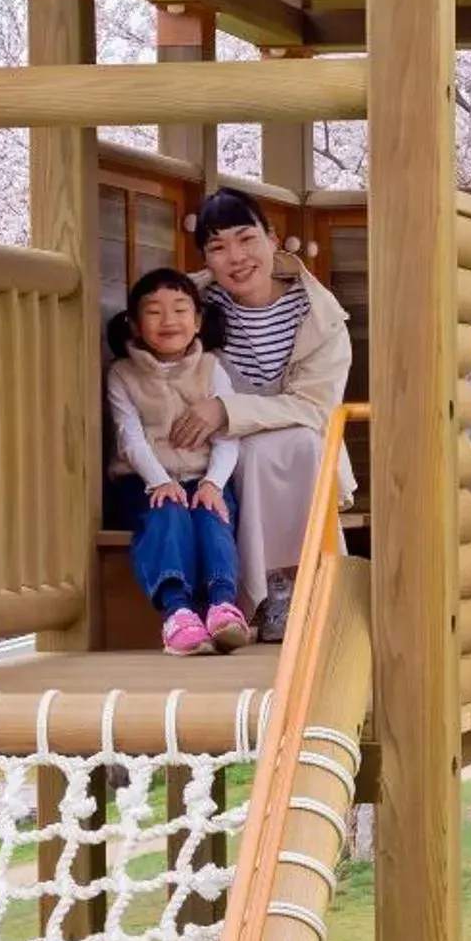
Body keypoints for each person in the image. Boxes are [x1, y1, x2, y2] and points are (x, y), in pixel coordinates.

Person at [178, 189, 356, 642]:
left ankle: (299, 587)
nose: (236, 257)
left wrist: (226, 409)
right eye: (218, 247)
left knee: (291, 444)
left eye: (246, 239)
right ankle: (253, 596)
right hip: (214, 450)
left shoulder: (320, 316)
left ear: (273, 239)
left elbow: (314, 408)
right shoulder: (191, 306)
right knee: (252, 449)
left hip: (303, 444)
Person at [105, 268, 250, 657]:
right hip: (143, 481)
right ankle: (178, 612)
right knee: (166, 513)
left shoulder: (212, 368)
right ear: (134, 324)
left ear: (198, 320)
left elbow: (227, 433)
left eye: (181, 309)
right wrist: (158, 481)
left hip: (203, 477)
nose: (169, 321)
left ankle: (222, 606)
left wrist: (213, 484)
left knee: (212, 515)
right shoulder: (123, 373)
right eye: (154, 311)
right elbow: (129, 436)